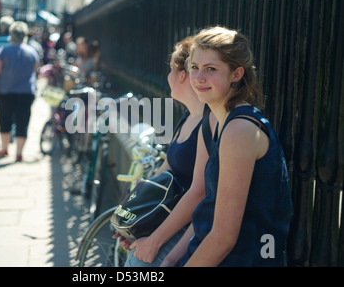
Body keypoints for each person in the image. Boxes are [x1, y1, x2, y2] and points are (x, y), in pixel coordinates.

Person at [161, 26, 293, 267]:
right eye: (194, 67)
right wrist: (170, 259)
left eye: (211, 69)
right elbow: (208, 212)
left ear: (236, 74)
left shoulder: (240, 130)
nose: (198, 78)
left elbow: (223, 238)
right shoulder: (220, 122)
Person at [116, 36, 211, 267]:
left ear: (181, 75)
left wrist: (155, 241)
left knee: (136, 265)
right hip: (170, 219)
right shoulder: (188, 116)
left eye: (170, 69)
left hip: (189, 227)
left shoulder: (209, 123)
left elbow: (199, 193)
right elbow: (162, 172)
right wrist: (136, 225)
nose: (167, 77)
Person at [0, 21, 39, 162]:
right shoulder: (32, 52)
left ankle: (4, 149)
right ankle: (19, 153)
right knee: (23, 121)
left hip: (5, 91)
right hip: (26, 92)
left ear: (11, 35)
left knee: (5, 120)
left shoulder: (3, 51)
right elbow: (34, 72)